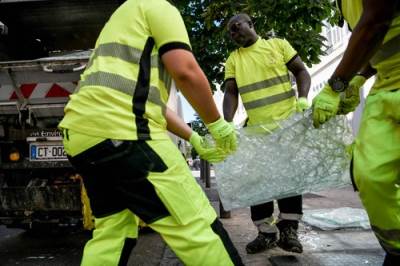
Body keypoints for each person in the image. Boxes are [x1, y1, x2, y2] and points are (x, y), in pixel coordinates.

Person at [58, 0, 243, 265]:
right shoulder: (158, 7)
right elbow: (186, 71)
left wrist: (194, 137)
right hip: (124, 133)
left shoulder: (121, 19)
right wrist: (217, 124)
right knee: (196, 225)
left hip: (81, 136)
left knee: (113, 233)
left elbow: (153, 105)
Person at [312, 0, 400, 265]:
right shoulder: (343, 3)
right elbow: (378, 40)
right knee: (368, 175)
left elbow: (377, 20)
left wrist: (336, 84)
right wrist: (360, 76)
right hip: (386, 85)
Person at [223, 13, 311, 254]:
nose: (233, 33)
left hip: (286, 127)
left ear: (251, 24)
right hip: (256, 133)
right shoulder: (233, 59)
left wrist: (303, 99)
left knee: (289, 181)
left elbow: (301, 71)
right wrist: (227, 123)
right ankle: (266, 233)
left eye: (236, 27)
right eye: (230, 32)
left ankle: (289, 232)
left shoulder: (278, 45)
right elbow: (231, 92)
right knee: (258, 183)